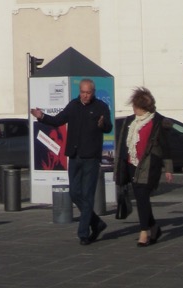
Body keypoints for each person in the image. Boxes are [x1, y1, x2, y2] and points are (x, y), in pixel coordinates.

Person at [32, 78, 112, 245]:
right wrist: (42, 116)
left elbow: (108, 127)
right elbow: (58, 120)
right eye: (82, 92)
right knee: (74, 193)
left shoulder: (100, 107)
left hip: (91, 157)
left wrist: (102, 124)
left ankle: (83, 233)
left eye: (88, 93)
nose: (85, 95)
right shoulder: (73, 105)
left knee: (88, 195)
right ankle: (96, 223)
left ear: (93, 92)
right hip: (74, 156)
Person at [114, 87, 174, 246]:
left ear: (143, 107)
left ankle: (144, 232)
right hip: (132, 165)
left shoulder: (157, 122)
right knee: (142, 199)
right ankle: (154, 227)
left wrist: (168, 169)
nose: (133, 108)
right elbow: (123, 145)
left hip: (149, 166)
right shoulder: (130, 121)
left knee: (142, 197)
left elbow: (166, 146)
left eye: (135, 105)